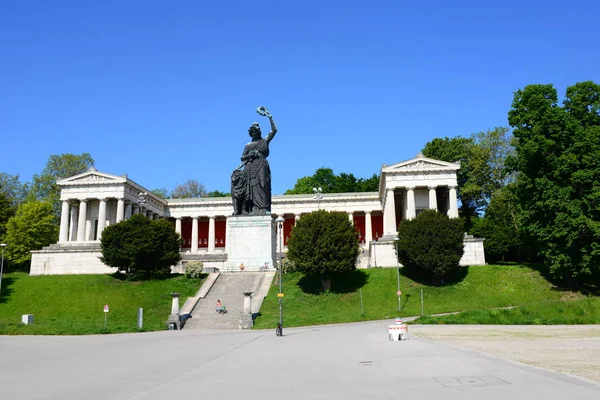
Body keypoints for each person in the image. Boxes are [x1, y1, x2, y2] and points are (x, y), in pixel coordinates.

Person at [238, 107, 278, 215]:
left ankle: (264, 208)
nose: (254, 133)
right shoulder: (248, 145)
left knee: (263, 185)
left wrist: (270, 117)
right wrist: (249, 155)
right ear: (251, 133)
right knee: (251, 188)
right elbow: (242, 157)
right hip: (250, 167)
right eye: (252, 132)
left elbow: (274, 130)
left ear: (258, 132)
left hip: (262, 164)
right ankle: (254, 209)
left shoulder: (264, 141)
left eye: (255, 131)